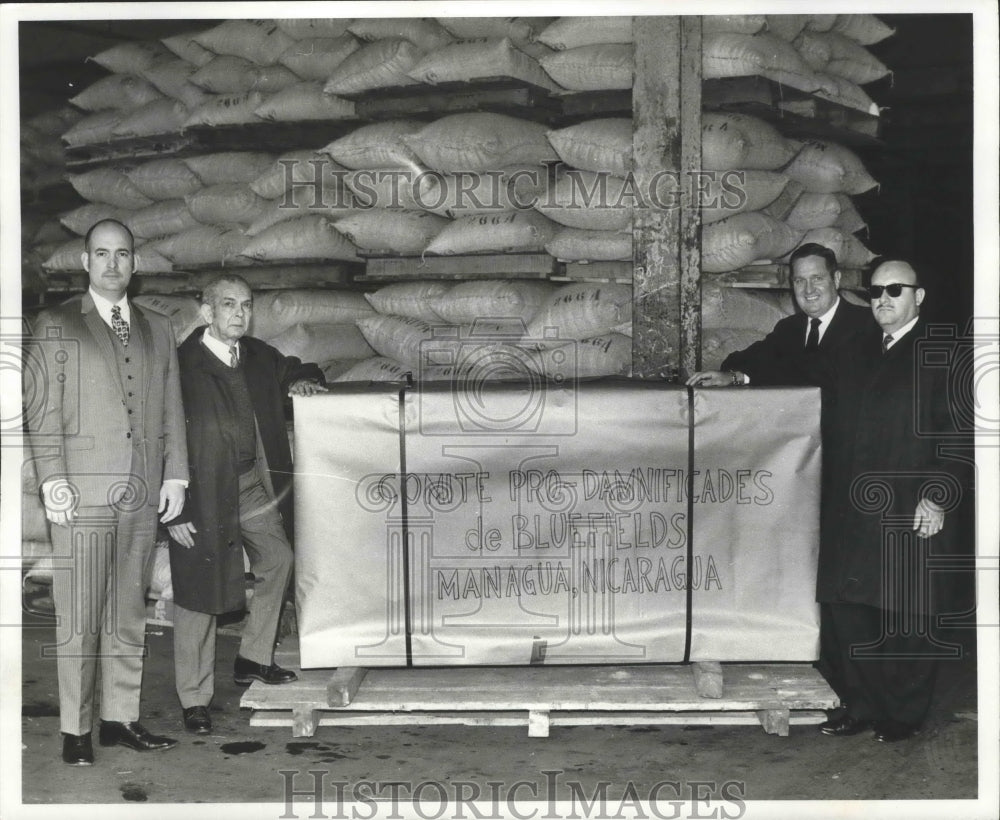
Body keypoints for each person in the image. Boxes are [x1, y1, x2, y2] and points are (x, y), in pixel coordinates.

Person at [26, 219, 188, 765]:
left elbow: (172, 408)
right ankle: (75, 731)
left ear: (135, 264)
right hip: (82, 494)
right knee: (79, 615)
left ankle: (119, 718)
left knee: (126, 612)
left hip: (142, 492)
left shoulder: (157, 328)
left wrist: (176, 474)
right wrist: (52, 480)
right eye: (102, 254)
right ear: (85, 261)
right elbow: (42, 413)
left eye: (123, 254)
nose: (113, 264)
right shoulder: (56, 324)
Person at [166, 274, 327, 735]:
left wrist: (301, 382)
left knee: (279, 559)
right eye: (228, 305)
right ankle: (194, 699)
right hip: (200, 493)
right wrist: (174, 509)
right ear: (206, 311)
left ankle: (252, 658)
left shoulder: (258, 356)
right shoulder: (180, 366)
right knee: (199, 594)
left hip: (251, 485)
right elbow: (155, 436)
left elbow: (294, 367)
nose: (239, 314)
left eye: (246, 305)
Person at [814, 260, 964, 742]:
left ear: (918, 297)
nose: (883, 298)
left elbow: (961, 435)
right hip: (852, 508)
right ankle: (857, 705)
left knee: (905, 616)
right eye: (875, 290)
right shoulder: (856, 350)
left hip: (909, 506)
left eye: (895, 290)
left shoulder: (942, 353)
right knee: (849, 612)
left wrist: (938, 497)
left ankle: (901, 715)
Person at [686, 243, 870, 387]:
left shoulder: (865, 324)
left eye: (817, 279)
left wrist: (752, 375)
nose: (808, 290)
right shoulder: (790, 327)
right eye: (800, 281)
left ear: (836, 279)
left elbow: (823, 377)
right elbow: (739, 361)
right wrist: (734, 376)